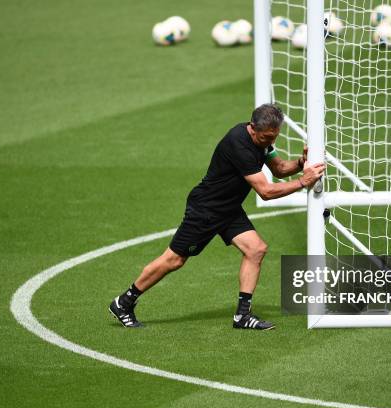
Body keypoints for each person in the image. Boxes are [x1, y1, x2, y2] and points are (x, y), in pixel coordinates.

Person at [109, 104, 325, 329]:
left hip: (228, 208)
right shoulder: (239, 144)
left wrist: (301, 163)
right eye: (266, 137)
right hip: (207, 210)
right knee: (174, 259)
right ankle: (124, 302)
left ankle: (242, 316)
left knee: (256, 249)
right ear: (252, 128)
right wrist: (302, 182)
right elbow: (266, 191)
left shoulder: (263, 141)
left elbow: (279, 168)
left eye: (274, 137)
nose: (269, 141)